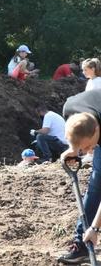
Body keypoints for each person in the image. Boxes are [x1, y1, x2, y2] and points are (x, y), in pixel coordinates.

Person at [57, 90, 101, 263]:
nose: (89, 152)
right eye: (85, 149)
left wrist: (95, 229)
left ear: (97, 130)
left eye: (90, 146)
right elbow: (74, 129)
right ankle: (81, 246)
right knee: (96, 185)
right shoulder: (69, 109)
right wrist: (74, 149)